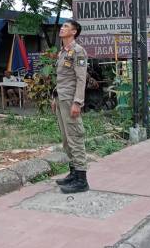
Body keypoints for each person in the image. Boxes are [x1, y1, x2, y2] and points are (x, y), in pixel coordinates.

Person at [51, 20, 90, 193]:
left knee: (75, 136)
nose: (62, 28)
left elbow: (81, 79)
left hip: (70, 101)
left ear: (74, 32)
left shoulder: (78, 51)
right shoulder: (63, 52)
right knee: (67, 139)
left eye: (66, 27)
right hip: (61, 99)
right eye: (62, 26)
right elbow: (61, 78)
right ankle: (74, 172)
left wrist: (77, 102)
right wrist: (54, 96)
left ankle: (82, 180)